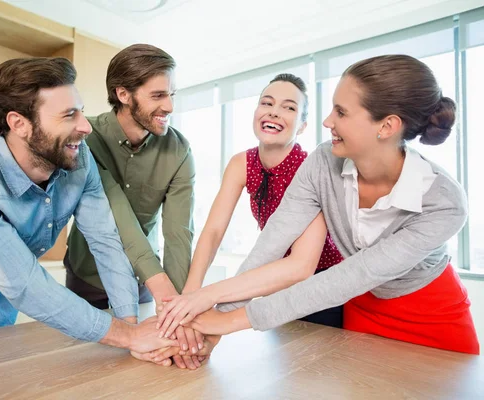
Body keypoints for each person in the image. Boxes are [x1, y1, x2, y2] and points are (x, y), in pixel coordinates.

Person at [154, 54, 480, 357]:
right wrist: (211, 311)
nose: (328, 121)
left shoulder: (444, 203)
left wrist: (226, 320)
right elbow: (271, 244)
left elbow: (351, 274)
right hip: (360, 307)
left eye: (341, 112)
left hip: (431, 313)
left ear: (387, 126)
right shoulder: (324, 161)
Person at [0, 57, 178, 357]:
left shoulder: (80, 159)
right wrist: (129, 337)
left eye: (80, 111)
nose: (85, 126)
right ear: (19, 124)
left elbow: (105, 242)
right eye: (69, 115)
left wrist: (129, 326)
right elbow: (25, 284)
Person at [155, 73, 344, 340]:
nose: (275, 112)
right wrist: (191, 294)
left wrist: (209, 300)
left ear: (302, 126)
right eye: (267, 103)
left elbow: (302, 265)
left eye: (289, 107)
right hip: (276, 284)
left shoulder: (309, 169)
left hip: (323, 285)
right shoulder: (241, 163)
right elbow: (213, 231)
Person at [63, 44, 202, 369]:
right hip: (87, 276)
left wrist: (175, 311)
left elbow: (179, 234)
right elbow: (116, 217)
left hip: (144, 283)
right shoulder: (86, 137)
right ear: (124, 94)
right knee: (80, 370)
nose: (169, 105)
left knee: (141, 374)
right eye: (158, 96)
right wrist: (166, 294)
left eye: (172, 94)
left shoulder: (179, 150)